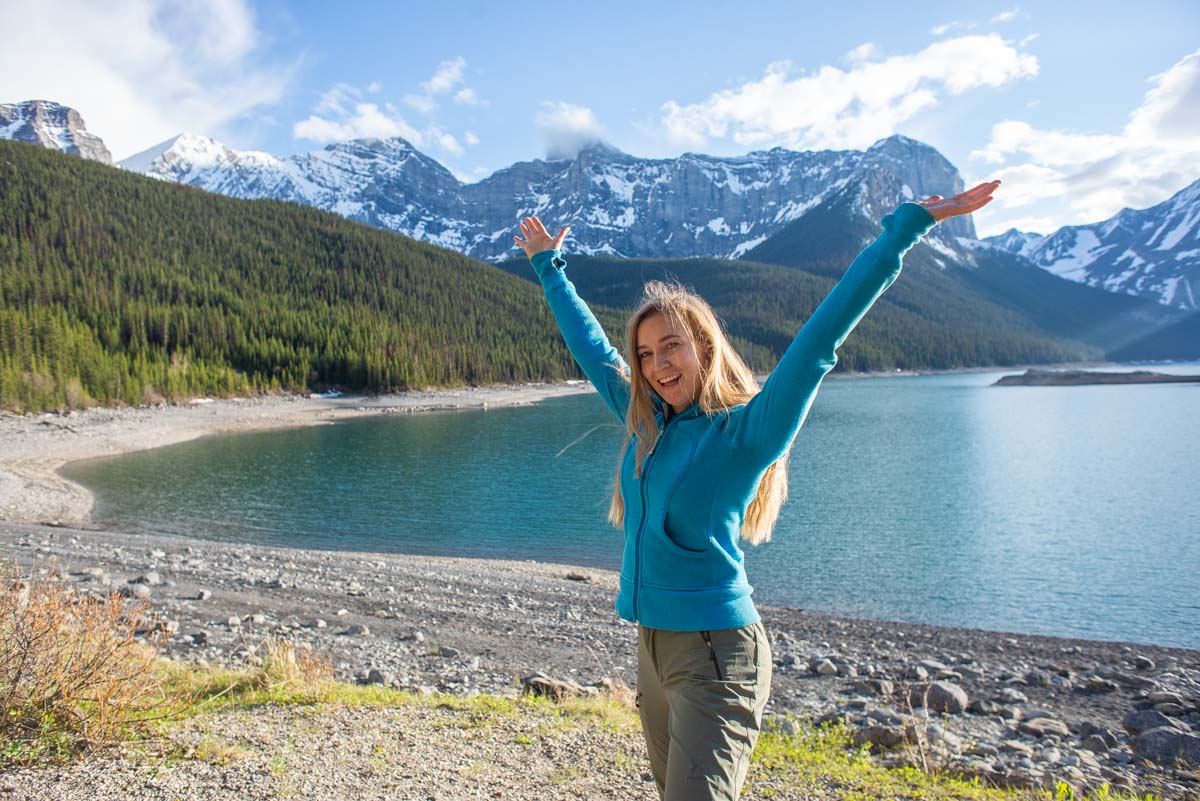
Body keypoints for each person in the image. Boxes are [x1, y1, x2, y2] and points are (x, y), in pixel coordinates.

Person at [513, 180, 1000, 801]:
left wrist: (902, 232)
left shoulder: (743, 435)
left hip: (717, 656)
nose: (658, 365)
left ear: (704, 348)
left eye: (672, 347)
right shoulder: (646, 421)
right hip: (652, 648)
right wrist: (549, 267)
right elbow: (591, 349)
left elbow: (818, 343)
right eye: (646, 354)